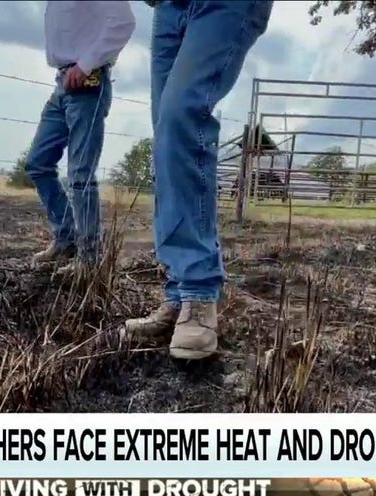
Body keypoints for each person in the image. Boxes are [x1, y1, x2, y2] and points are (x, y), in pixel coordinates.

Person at [125, 0, 273, 360]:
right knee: (167, 140)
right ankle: (179, 294)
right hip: (169, 8)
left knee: (181, 116)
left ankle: (199, 291)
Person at [27, 1, 136, 274]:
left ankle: (89, 260)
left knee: (80, 174)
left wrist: (86, 64)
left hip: (87, 83)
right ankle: (67, 239)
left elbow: (123, 22)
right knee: (38, 163)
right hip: (63, 83)